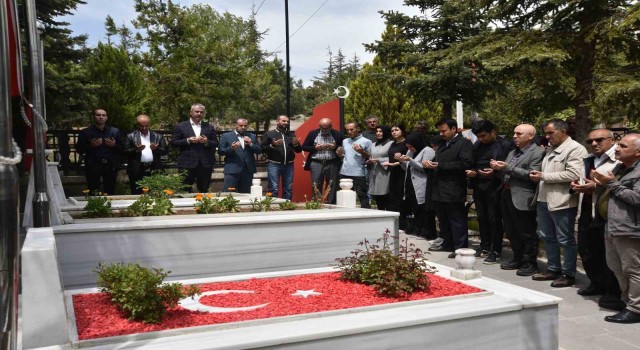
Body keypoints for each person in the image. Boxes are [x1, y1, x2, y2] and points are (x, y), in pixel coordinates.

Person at [530, 118, 588, 287]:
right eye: (546, 133)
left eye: (551, 133)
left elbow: (573, 174)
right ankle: (553, 268)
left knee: (565, 239)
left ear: (563, 131)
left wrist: (544, 176)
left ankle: (568, 274)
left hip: (562, 201)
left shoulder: (575, 149)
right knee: (547, 237)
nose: (547, 136)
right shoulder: (550, 149)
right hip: (544, 199)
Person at [570, 129, 623, 310]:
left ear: (611, 139)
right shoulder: (588, 159)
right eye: (590, 141)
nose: (593, 144)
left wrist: (597, 186)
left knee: (608, 255)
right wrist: (577, 185)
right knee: (587, 249)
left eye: (599, 140)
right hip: (586, 209)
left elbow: (619, 184)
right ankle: (596, 283)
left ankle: (612, 291)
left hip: (606, 212)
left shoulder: (618, 159)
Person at [592, 133, 640, 324]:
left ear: (638, 152)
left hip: (630, 228)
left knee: (633, 269)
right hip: (612, 225)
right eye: (618, 144)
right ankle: (628, 302)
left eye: (623, 146)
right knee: (616, 267)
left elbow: (637, 199)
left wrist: (610, 183)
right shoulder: (621, 167)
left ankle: (636, 308)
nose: (617, 148)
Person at [490, 124, 545, 276]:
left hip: (523, 196)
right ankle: (517, 257)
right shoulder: (513, 152)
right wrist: (497, 168)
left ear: (530, 136)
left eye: (519, 133)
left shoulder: (538, 152)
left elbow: (531, 175)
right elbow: (507, 171)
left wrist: (507, 168)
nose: (514, 136)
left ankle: (530, 262)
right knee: (511, 229)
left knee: (526, 231)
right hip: (507, 193)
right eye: (514, 133)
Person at [423, 118, 473, 258]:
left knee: (456, 219)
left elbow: (464, 164)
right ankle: (448, 243)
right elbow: (438, 161)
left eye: (444, 130)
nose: (441, 134)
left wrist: (440, 165)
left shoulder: (463, 144)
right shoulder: (443, 144)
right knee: (443, 219)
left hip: (453, 188)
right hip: (439, 188)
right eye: (439, 131)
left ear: (453, 129)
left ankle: (460, 248)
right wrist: (429, 165)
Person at [466, 120, 515, 264]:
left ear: (493, 131)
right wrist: (473, 172)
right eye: (479, 137)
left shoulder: (505, 145)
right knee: (482, 217)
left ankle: (496, 250)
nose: (481, 139)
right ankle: (485, 246)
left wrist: (494, 172)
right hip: (479, 186)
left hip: (496, 187)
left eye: (483, 136)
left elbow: (509, 167)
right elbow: (473, 163)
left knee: (494, 219)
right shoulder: (478, 145)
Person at [171, 103, 219, 193]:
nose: (199, 114)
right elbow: (173, 142)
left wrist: (206, 141)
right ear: (191, 113)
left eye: (201, 112)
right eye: (197, 111)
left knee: (204, 190)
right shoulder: (181, 126)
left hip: (205, 164)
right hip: (186, 164)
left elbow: (216, 143)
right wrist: (188, 140)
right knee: (184, 190)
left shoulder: (209, 127)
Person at [396, 133, 436, 238]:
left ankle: (427, 232)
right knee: (415, 208)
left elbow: (425, 168)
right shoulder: (410, 151)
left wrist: (410, 160)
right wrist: (401, 161)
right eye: (408, 147)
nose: (410, 149)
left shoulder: (427, 151)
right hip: (410, 184)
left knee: (423, 209)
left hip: (421, 184)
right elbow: (407, 168)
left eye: (411, 147)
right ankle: (417, 229)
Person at [75, 108, 122, 195]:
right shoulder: (85, 132)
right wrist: (91, 146)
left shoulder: (114, 131)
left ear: (107, 118)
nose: (101, 117)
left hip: (110, 165)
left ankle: (109, 207)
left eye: (103, 115)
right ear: (93, 117)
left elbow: (122, 149)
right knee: (93, 190)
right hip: (93, 165)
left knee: (110, 190)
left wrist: (114, 145)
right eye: (98, 115)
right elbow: (79, 149)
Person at [302, 118, 343, 204]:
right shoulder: (313, 133)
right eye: (322, 128)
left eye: (326, 128)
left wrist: (334, 147)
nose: (324, 130)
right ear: (319, 126)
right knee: (316, 184)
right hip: (317, 162)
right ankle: (317, 203)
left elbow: (342, 148)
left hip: (332, 162)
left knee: (332, 184)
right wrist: (315, 148)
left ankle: (332, 204)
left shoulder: (337, 134)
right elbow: (304, 147)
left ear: (331, 126)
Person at [123, 115, 168, 194]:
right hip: (137, 169)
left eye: (146, 126)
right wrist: (136, 150)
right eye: (141, 126)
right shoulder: (130, 136)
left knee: (155, 192)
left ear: (149, 124)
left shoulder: (158, 136)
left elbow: (165, 151)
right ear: (137, 125)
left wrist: (156, 149)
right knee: (136, 192)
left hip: (154, 168)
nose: (144, 128)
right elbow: (125, 151)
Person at [261, 115, 302, 199]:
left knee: (288, 189)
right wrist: (272, 145)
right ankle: (272, 207)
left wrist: (296, 144)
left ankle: (286, 206)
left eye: (287, 121)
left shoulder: (291, 134)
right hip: (274, 165)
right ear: (277, 121)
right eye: (283, 121)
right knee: (273, 188)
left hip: (289, 165)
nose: (286, 123)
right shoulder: (269, 134)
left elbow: (298, 150)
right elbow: (262, 149)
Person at [218, 118, 262, 193]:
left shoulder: (252, 136)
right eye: (241, 125)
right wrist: (232, 148)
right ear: (236, 125)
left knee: (246, 194)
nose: (243, 127)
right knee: (229, 194)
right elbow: (221, 151)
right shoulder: (226, 136)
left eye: (245, 126)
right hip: (232, 169)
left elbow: (259, 151)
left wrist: (251, 144)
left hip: (247, 170)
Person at [337, 122, 372, 208]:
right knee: (346, 197)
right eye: (347, 130)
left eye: (351, 129)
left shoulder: (366, 141)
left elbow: (371, 157)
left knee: (362, 195)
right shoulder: (345, 141)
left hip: (359, 173)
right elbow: (345, 156)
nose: (349, 132)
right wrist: (339, 154)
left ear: (358, 129)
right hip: (345, 172)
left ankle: (366, 215)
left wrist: (361, 152)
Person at [384, 124, 409, 230]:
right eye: (392, 130)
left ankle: (402, 224)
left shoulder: (406, 144)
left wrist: (397, 163)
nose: (394, 132)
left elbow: (408, 159)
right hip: (392, 172)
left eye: (396, 130)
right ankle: (394, 223)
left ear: (402, 131)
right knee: (393, 197)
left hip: (402, 172)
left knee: (401, 198)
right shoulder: (393, 143)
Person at [367, 126, 393, 210]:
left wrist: (379, 160)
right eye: (377, 131)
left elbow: (392, 159)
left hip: (385, 173)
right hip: (374, 173)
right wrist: (369, 161)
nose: (378, 133)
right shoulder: (373, 144)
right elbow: (371, 156)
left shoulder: (391, 144)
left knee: (386, 196)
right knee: (378, 198)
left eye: (381, 131)